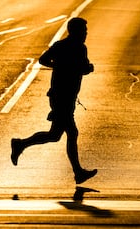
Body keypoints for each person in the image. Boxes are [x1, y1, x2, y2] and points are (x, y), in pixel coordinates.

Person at [10, 17, 97, 184]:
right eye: (84, 31)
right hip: (61, 97)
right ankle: (78, 172)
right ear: (76, 31)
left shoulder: (60, 46)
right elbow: (83, 68)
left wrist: (59, 66)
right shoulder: (79, 48)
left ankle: (20, 144)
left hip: (62, 96)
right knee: (72, 132)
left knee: (54, 135)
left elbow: (44, 60)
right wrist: (84, 68)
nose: (86, 34)